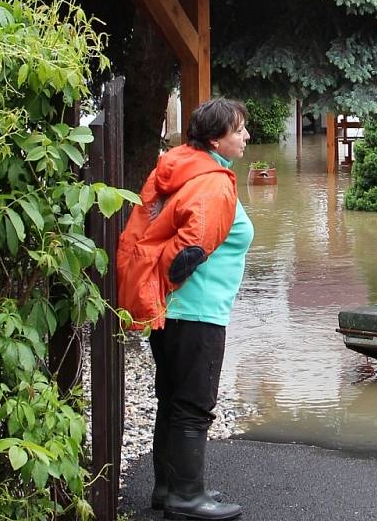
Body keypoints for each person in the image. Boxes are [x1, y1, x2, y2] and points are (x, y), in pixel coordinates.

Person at [117, 98, 253, 520]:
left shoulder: (185, 167)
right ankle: (187, 499)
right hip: (199, 312)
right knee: (194, 406)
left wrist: (160, 288)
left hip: (171, 312)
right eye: (239, 130)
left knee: (171, 399)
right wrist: (171, 279)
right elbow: (190, 248)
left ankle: (168, 488)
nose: (247, 136)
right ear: (216, 139)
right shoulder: (212, 182)